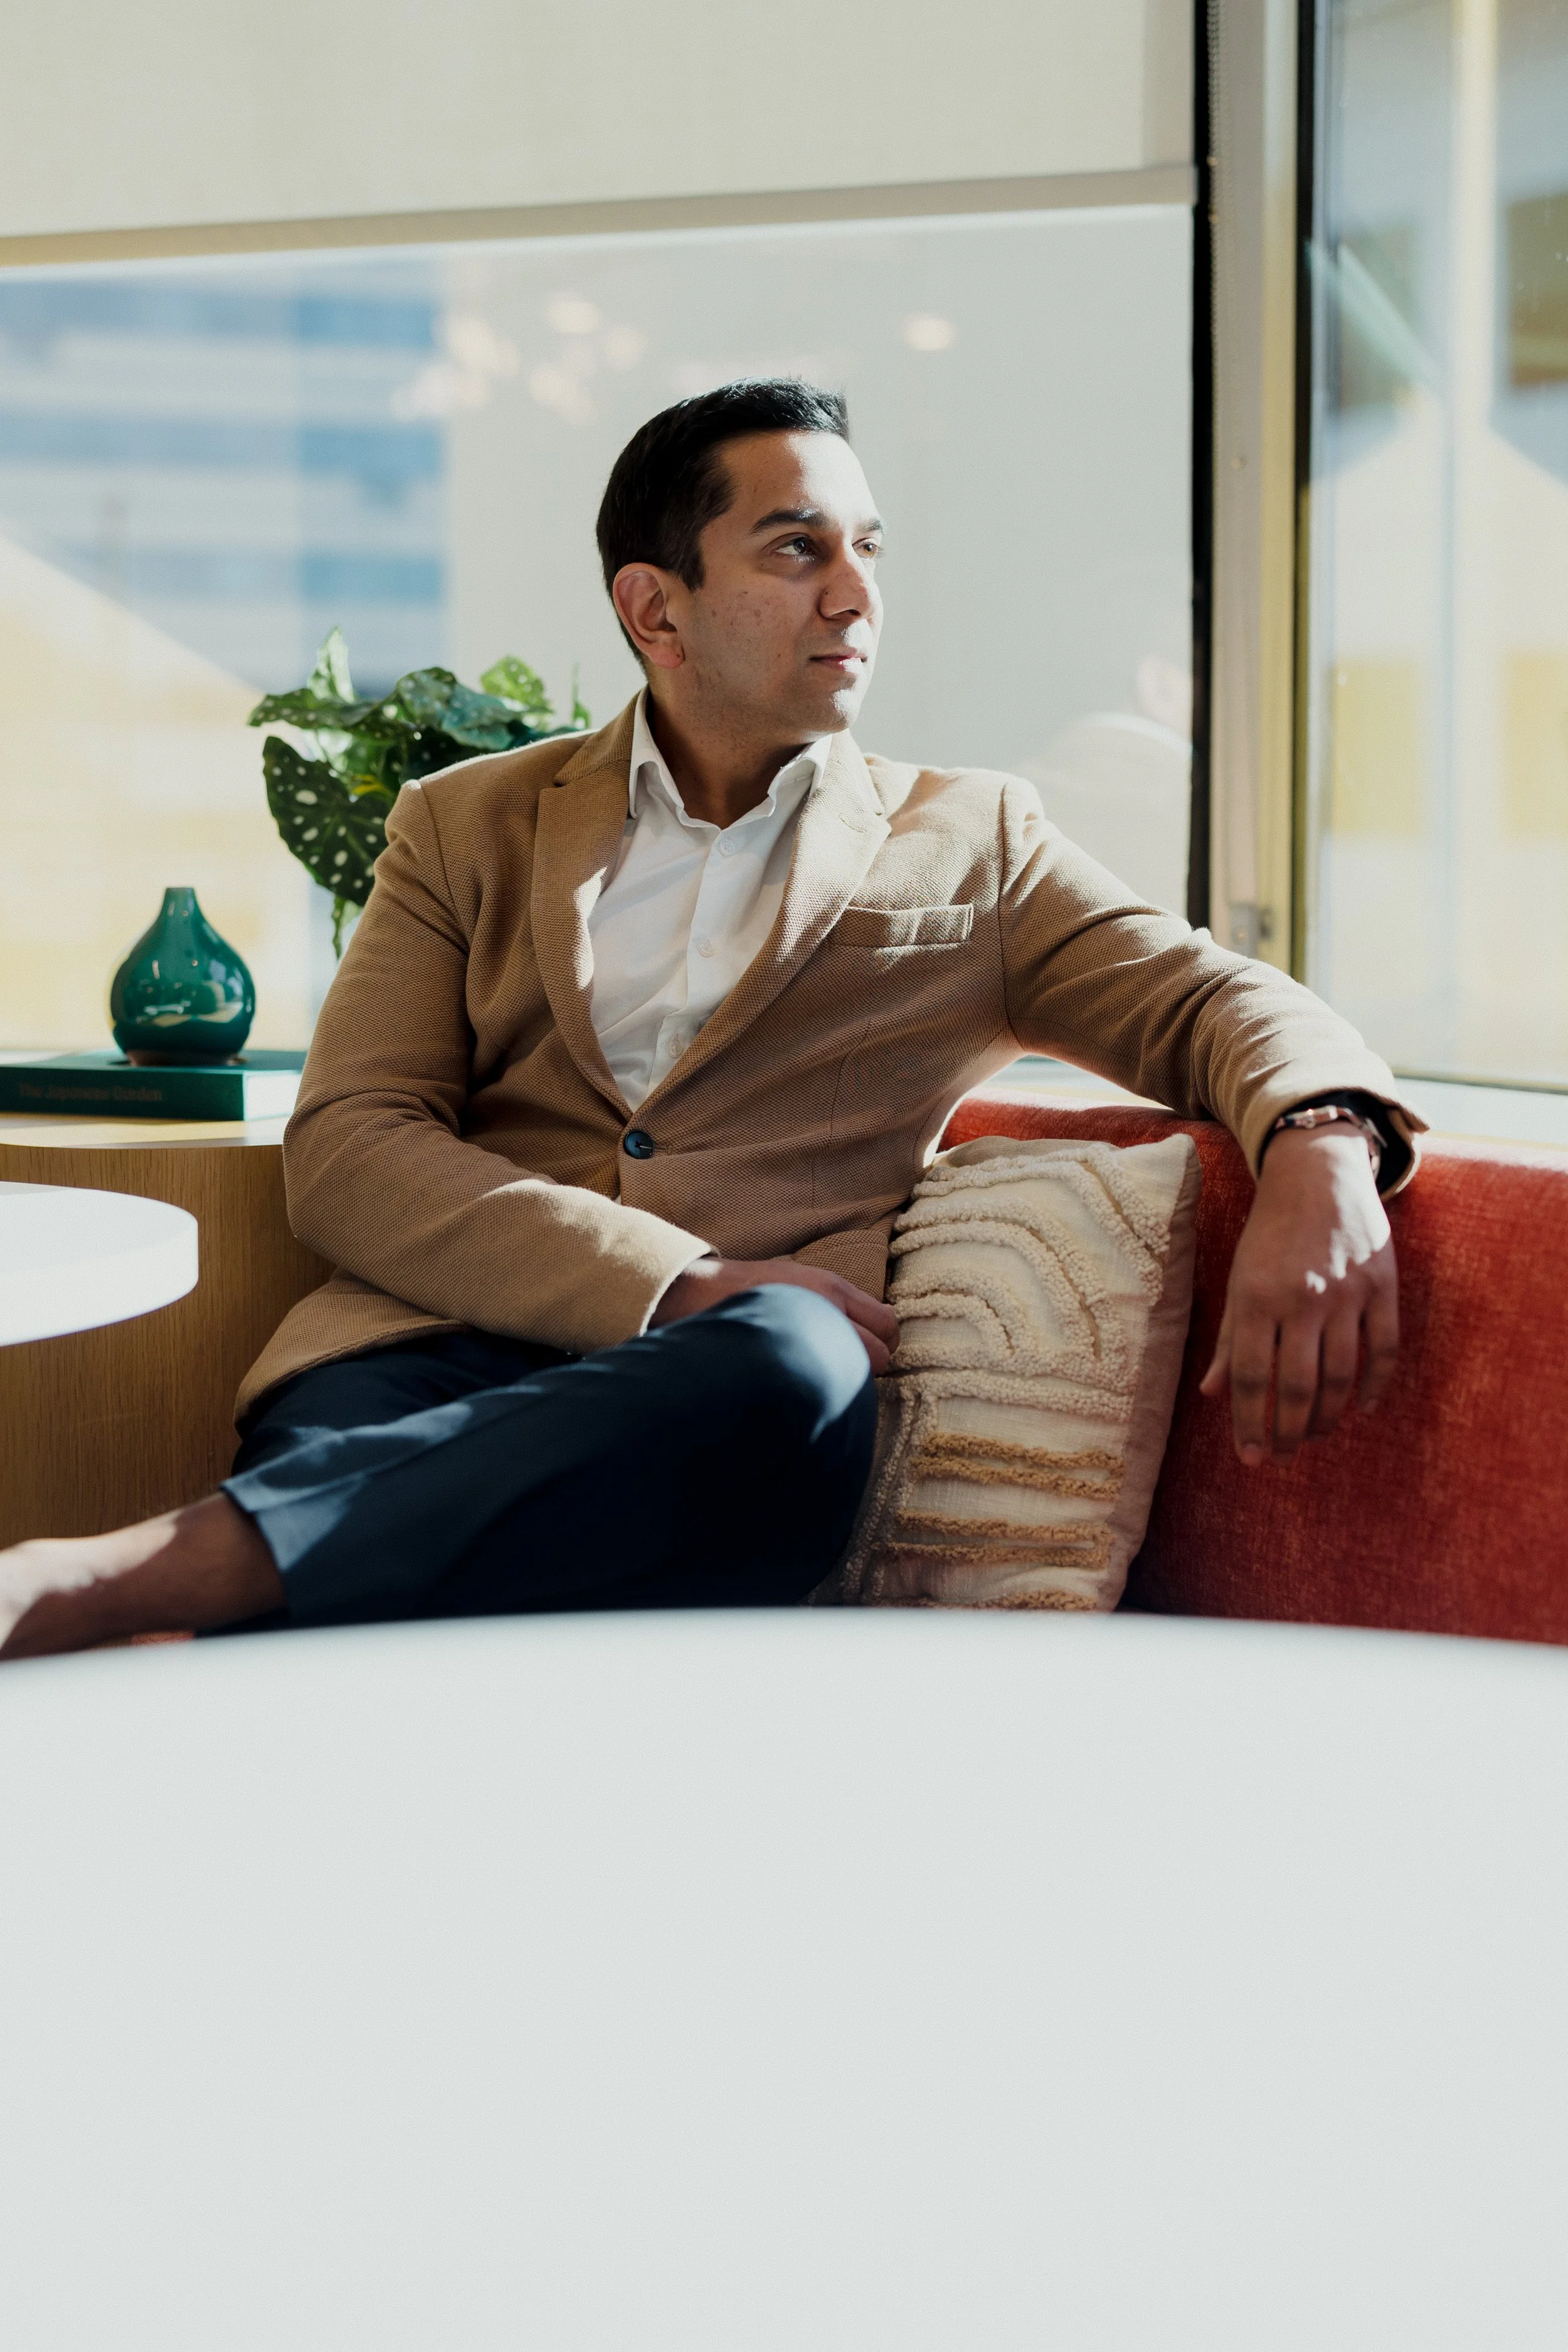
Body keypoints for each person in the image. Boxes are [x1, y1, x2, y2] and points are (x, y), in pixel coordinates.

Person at [0, 379, 1420, 1659]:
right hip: (424, 1354)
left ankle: (128, 1577)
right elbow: (352, 1143)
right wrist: (669, 1277)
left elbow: (1212, 998)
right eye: (798, 549)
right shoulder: (466, 824)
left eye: (869, 549)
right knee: (383, 1554)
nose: (855, 595)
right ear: (654, 609)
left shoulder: (970, 844)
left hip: (730, 1412)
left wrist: (1320, 1141)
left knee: (795, 1355)